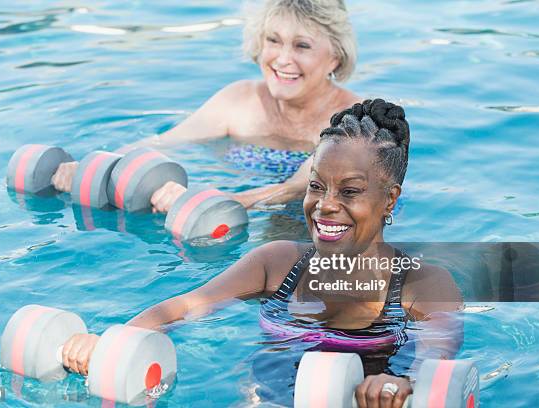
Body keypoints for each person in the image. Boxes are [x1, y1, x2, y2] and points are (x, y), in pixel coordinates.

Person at [61, 100, 463, 408]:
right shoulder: (277, 263)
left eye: (350, 191)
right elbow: (184, 306)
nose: (325, 205)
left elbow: (437, 355)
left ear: (390, 199)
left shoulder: (422, 283)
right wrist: (114, 341)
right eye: (316, 186)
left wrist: (399, 383)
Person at [51, 0, 361, 211]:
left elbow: (298, 187)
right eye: (273, 41)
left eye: (302, 45)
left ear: (335, 55)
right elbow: (166, 141)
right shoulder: (239, 99)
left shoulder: (352, 120)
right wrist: (93, 166)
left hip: (314, 216)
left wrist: (216, 201)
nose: (282, 59)